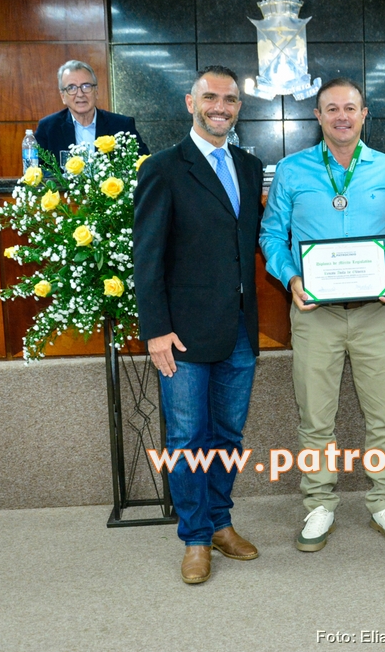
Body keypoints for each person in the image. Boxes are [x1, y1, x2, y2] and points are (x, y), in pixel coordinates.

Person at [259, 77, 385, 552]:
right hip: (314, 315)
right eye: (332, 109)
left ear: (364, 114)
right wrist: (291, 278)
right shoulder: (291, 170)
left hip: (375, 314)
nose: (342, 116)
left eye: (350, 108)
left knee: (384, 414)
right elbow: (271, 235)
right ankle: (318, 505)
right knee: (315, 417)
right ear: (319, 116)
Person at [133, 66, 264, 584]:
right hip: (182, 333)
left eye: (230, 99)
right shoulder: (163, 167)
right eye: (210, 97)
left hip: (239, 329)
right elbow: (147, 257)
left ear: (238, 107)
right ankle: (193, 538)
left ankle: (220, 522)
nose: (221, 107)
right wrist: (155, 329)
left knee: (228, 435)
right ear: (191, 101)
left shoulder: (250, 167)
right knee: (187, 438)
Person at [35, 60, 149, 164]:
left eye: (86, 86)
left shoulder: (122, 125)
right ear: (63, 97)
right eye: (71, 88)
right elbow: (38, 171)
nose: (80, 94)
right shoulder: (48, 128)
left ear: (96, 92)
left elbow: (144, 165)